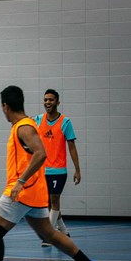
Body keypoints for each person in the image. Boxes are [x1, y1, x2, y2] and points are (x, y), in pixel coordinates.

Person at [0, 86, 101, 261]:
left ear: (5, 106)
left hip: (22, 191)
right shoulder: (25, 125)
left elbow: (41, 153)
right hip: (36, 191)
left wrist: (20, 182)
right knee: (49, 234)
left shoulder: (23, 127)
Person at [34, 89, 81, 247]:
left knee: (54, 200)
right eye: (45, 100)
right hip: (43, 170)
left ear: (57, 102)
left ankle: (48, 235)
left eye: (51, 100)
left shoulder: (65, 122)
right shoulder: (39, 120)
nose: (47, 102)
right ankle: (64, 231)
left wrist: (77, 169)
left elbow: (72, 147)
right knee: (48, 203)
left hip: (59, 170)